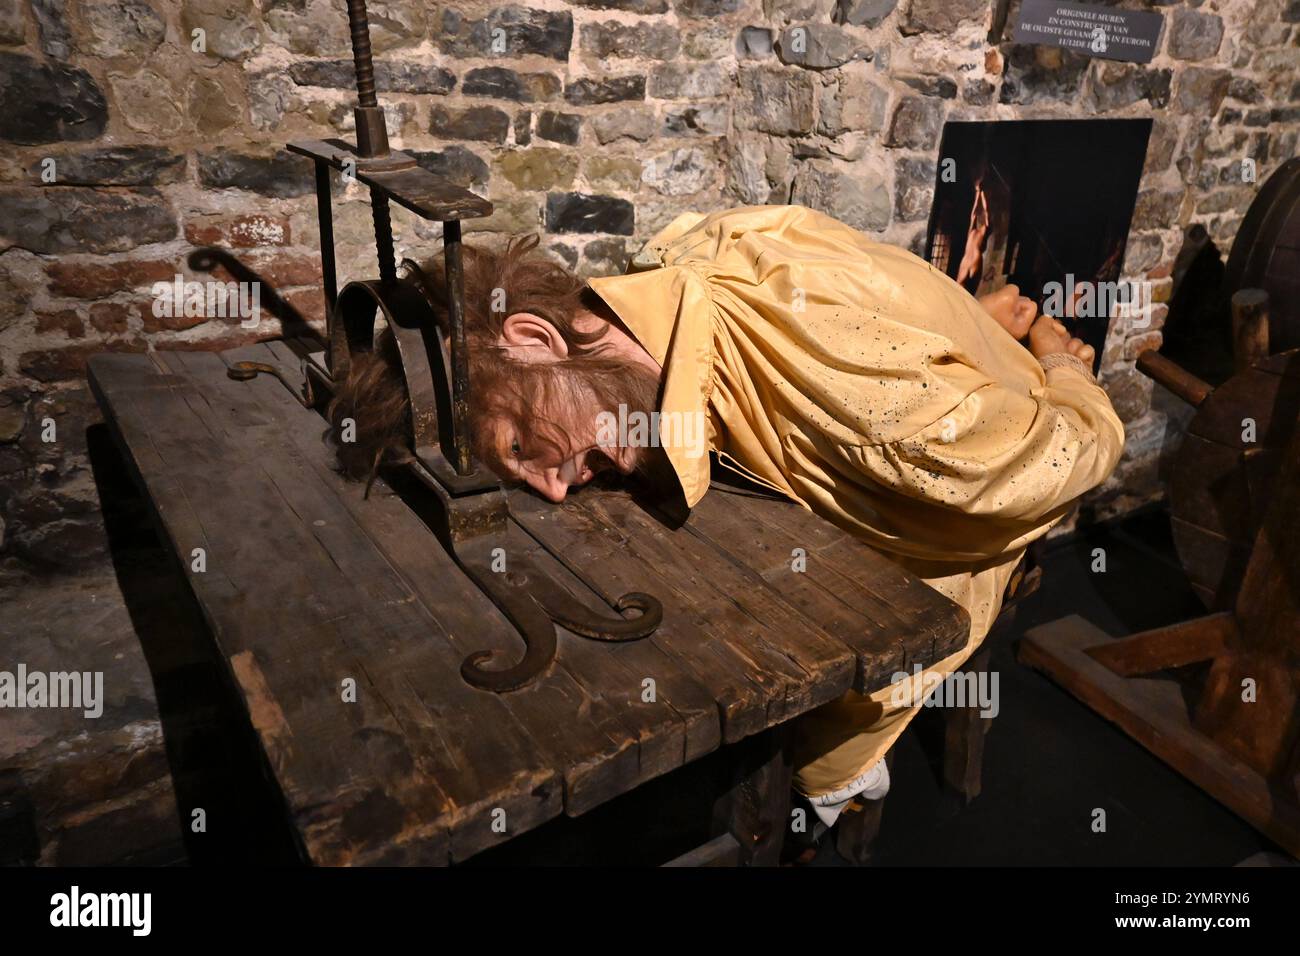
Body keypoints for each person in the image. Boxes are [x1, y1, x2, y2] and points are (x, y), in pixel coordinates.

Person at [329, 203, 1123, 836]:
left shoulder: (855, 395)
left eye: (526, 446)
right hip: (954, 380)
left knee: (812, 747)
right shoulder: (668, 287)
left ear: (535, 338)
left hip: (1035, 423)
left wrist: (1056, 359)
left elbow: (1061, 459)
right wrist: (969, 318)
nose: (555, 490)